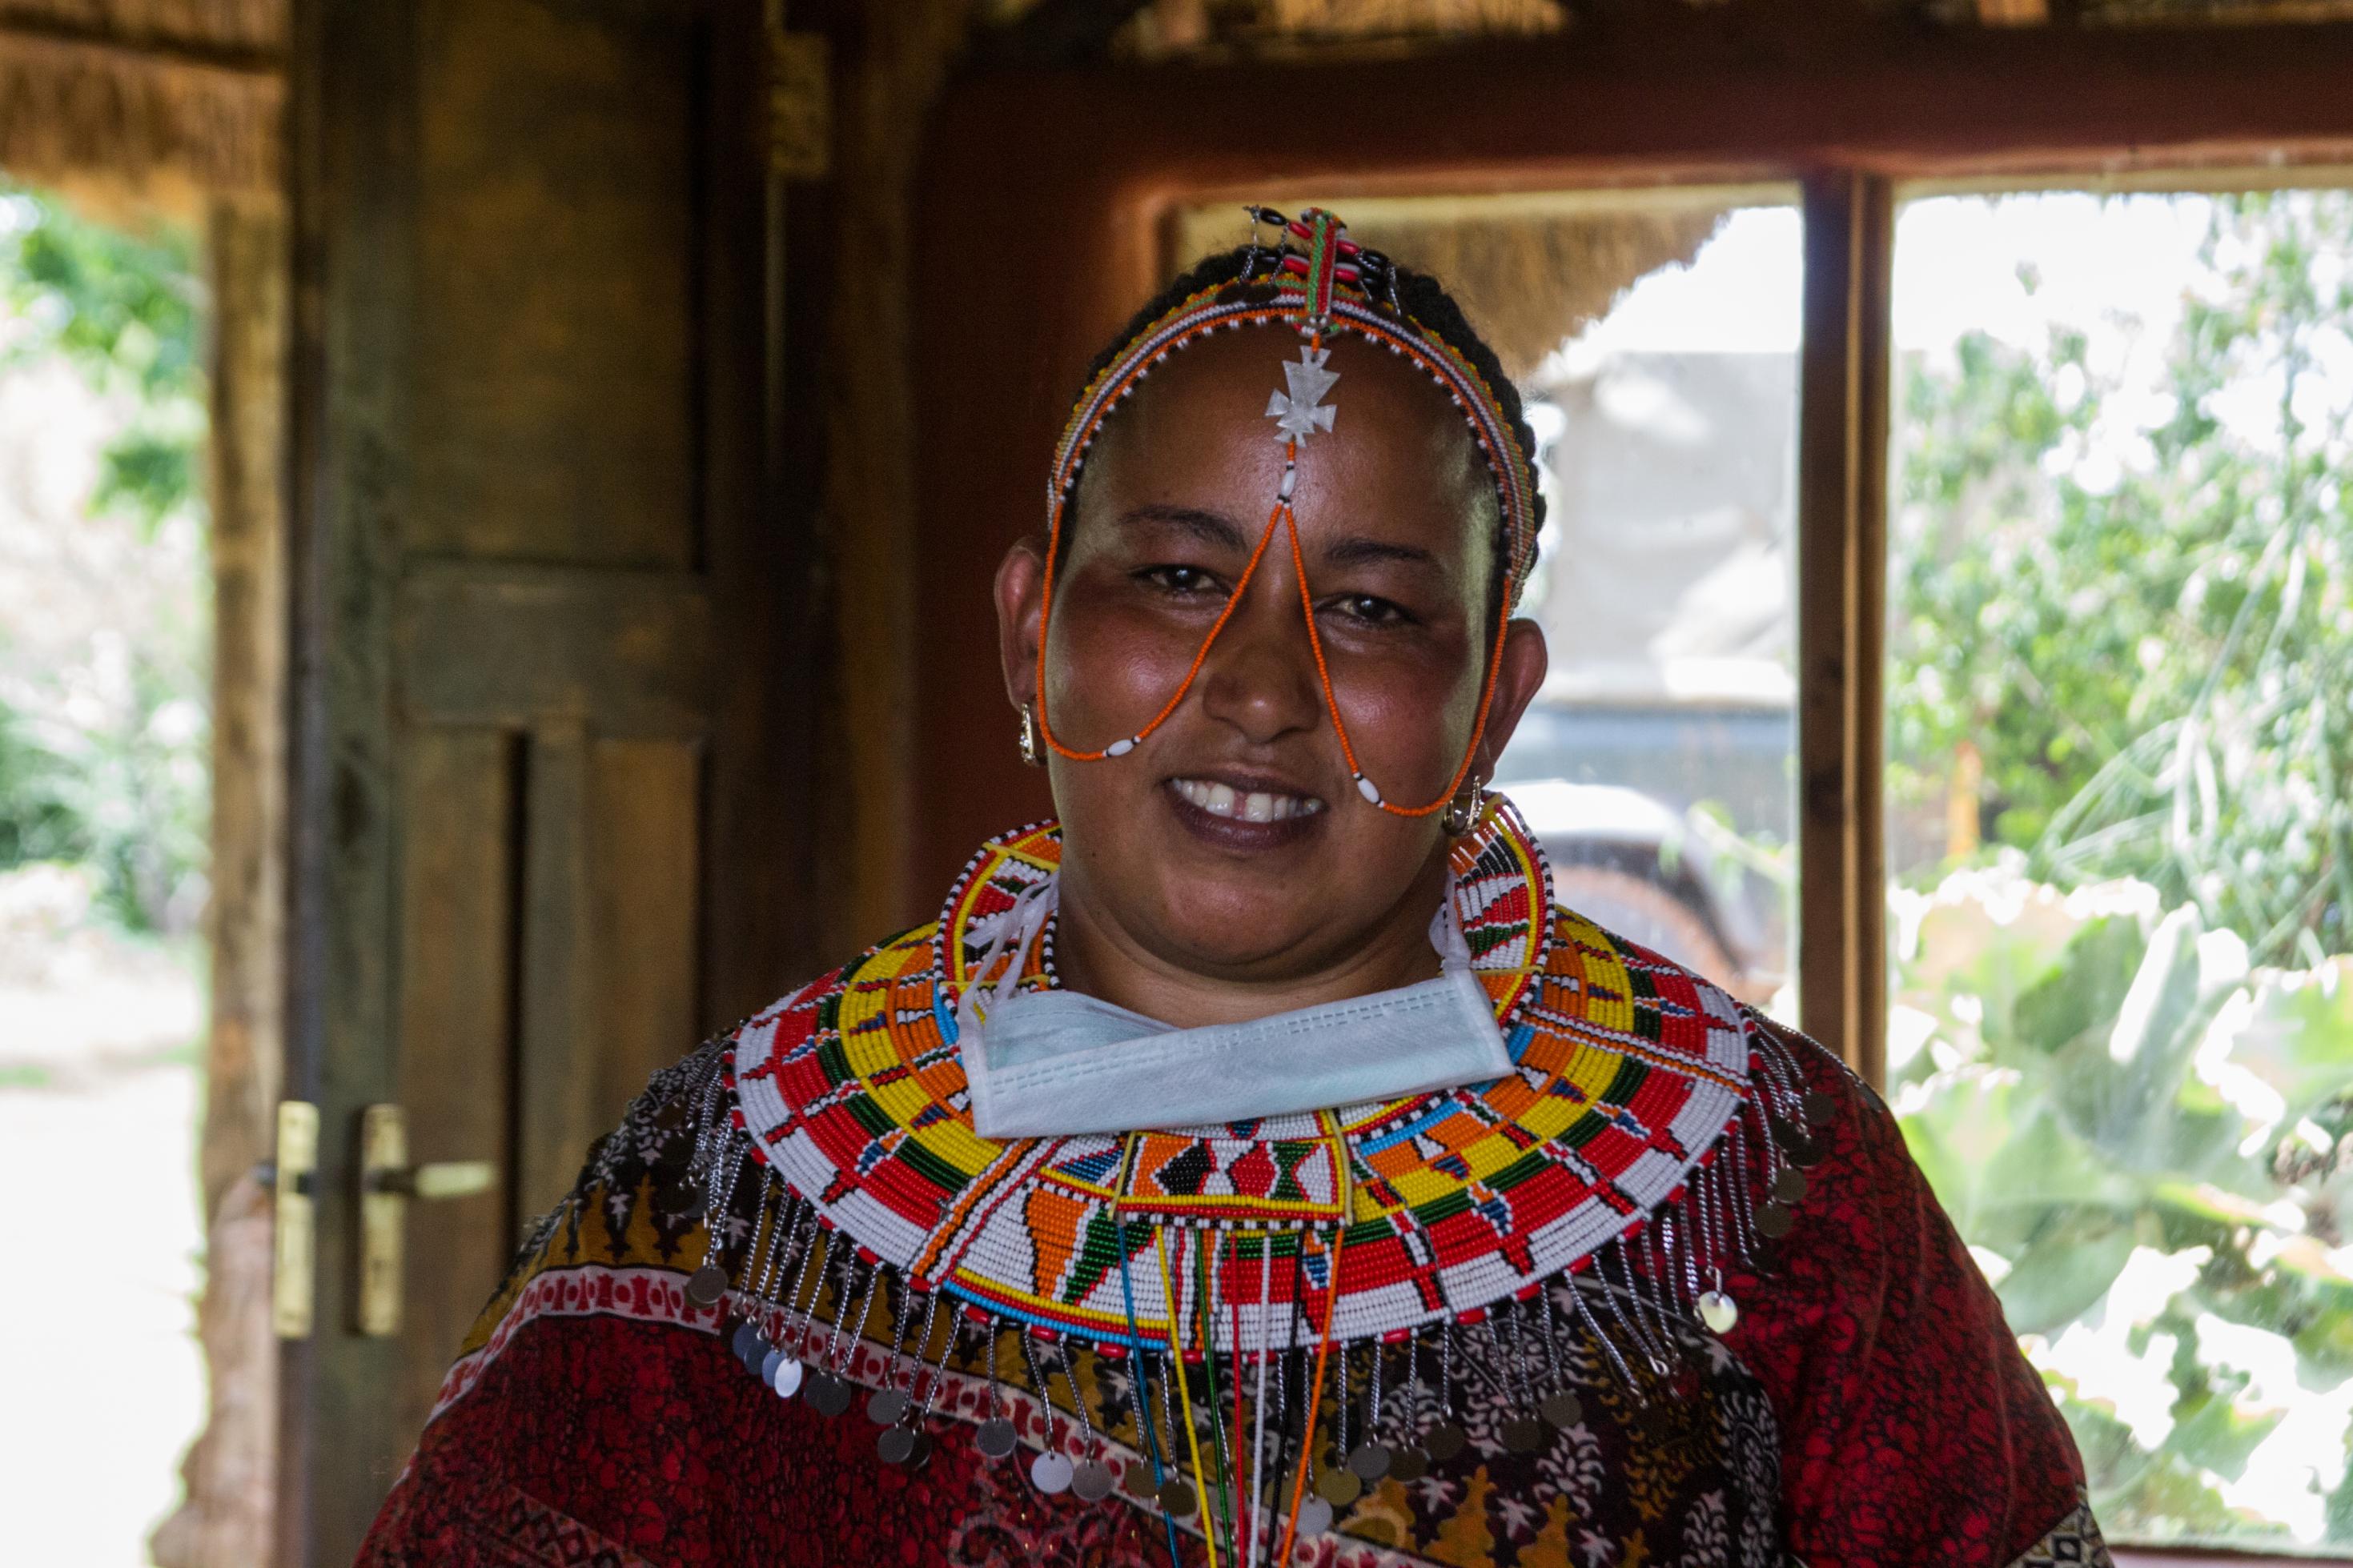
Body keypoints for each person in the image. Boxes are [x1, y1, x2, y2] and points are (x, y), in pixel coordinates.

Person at [361, 209, 2109, 1568]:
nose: (1259, 683)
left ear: (1492, 696)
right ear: (1028, 629)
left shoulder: (1770, 1191)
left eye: (1369, 607)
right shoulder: (732, 1184)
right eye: (1178, 573)